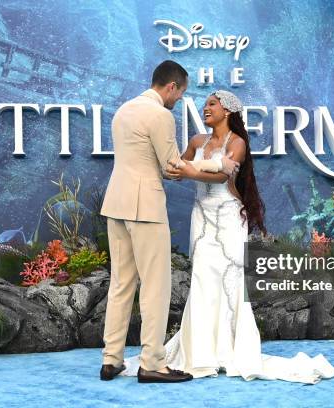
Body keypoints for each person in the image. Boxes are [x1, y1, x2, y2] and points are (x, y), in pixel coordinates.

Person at [120, 90, 334, 384]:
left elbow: (222, 177)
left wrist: (192, 169)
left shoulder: (238, 143)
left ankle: (231, 350)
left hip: (229, 218)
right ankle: (199, 354)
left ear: (229, 111)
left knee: (232, 282)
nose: (205, 108)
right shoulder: (197, 141)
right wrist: (173, 168)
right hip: (203, 217)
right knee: (202, 279)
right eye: (205, 104)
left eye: (212, 104)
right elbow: (176, 168)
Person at [99, 61, 239, 383]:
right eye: (181, 93)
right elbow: (173, 167)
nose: (178, 100)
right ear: (172, 87)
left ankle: (111, 359)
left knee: (120, 284)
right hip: (145, 207)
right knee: (155, 287)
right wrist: (219, 163)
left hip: (116, 205)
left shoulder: (123, 110)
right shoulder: (161, 115)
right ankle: (152, 363)